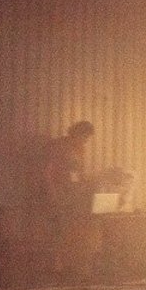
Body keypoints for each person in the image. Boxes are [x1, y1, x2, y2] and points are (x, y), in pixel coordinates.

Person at [41, 120, 98, 281]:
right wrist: (52, 193)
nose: (85, 141)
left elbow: (80, 173)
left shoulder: (80, 149)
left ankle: (75, 268)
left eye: (87, 139)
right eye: (84, 137)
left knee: (75, 231)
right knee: (59, 231)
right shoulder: (58, 146)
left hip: (74, 195)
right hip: (59, 193)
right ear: (76, 133)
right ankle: (57, 270)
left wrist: (90, 184)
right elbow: (47, 171)